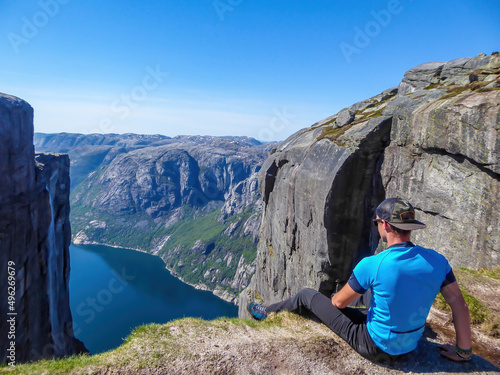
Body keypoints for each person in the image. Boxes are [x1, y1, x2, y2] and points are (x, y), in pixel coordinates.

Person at [248, 198, 472, 363]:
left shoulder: (373, 264)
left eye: (376, 222)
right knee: (371, 296)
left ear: (384, 224)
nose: (376, 226)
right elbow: (459, 305)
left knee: (307, 296)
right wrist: (463, 352)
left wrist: (335, 297)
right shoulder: (437, 261)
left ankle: (266, 312)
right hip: (411, 344)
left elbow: (339, 304)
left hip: (375, 346)